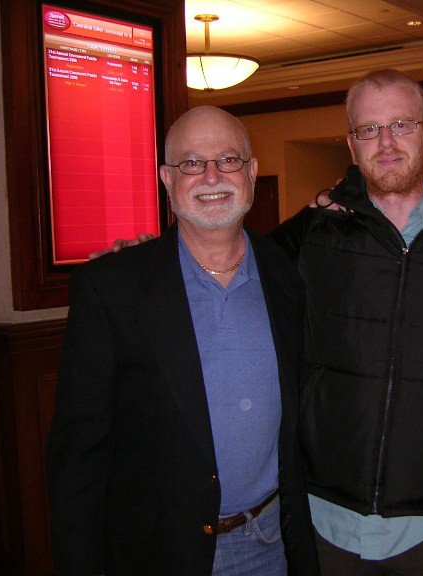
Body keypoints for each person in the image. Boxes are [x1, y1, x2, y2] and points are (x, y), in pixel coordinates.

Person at [46, 107, 319, 576]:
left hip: (273, 543)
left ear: (252, 174)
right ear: (167, 181)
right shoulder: (113, 287)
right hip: (158, 553)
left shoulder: (287, 275)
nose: (212, 175)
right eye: (192, 163)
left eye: (229, 160)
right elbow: (78, 459)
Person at [270, 69, 423, 574]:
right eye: (368, 130)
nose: (386, 142)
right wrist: (149, 257)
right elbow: (227, 264)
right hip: (324, 518)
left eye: (401, 124)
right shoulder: (310, 236)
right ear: (351, 147)